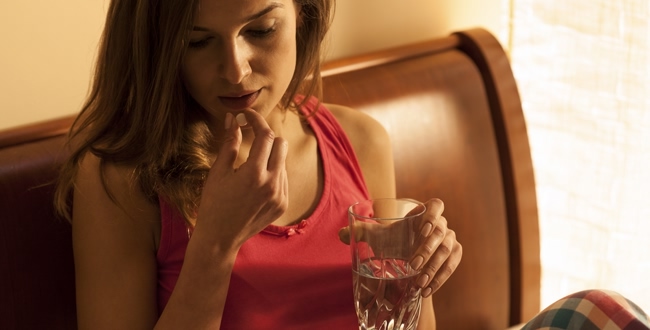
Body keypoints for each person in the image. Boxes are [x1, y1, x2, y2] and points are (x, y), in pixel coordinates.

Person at [54, 0, 462, 329]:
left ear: (305, 12)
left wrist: (418, 272)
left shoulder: (361, 141)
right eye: (197, 41)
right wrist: (215, 243)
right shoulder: (121, 180)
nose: (236, 70)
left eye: (260, 30)